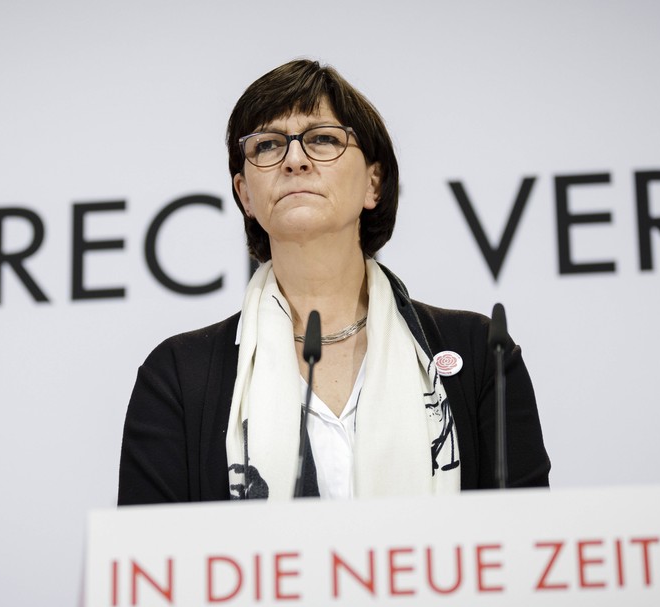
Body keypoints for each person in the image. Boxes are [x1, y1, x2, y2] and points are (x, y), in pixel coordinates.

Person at [117, 59, 550, 504]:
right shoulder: (177, 376)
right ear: (246, 194)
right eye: (267, 145)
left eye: (322, 139)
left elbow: (526, 545)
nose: (295, 160)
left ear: (373, 183)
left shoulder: (479, 355)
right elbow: (150, 561)